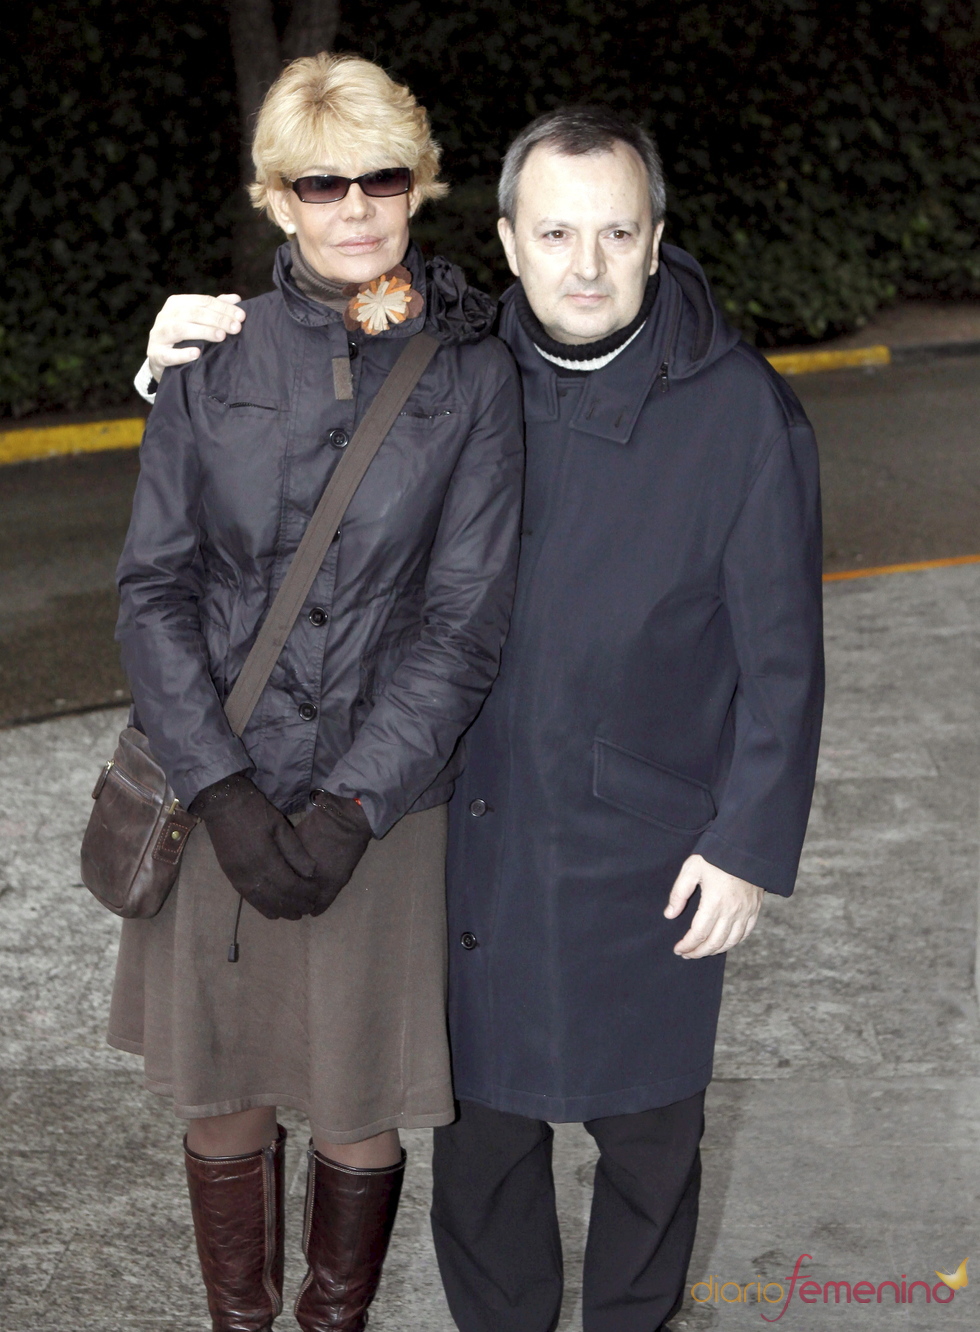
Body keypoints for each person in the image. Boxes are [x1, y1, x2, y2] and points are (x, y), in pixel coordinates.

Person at [141, 104, 823, 1332]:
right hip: (477, 829)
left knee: (650, 1149)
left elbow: (783, 658)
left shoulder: (740, 412)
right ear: (505, 241)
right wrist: (169, 350)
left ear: (657, 239)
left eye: (616, 231)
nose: (585, 263)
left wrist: (747, 843)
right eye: (554, 232)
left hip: (654, 850)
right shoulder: (453, 355)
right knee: (487, 1155)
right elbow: (305, 383)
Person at [111, 52, 522, 1332]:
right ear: (276, 199)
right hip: (217, 773)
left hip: (382, 807)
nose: (356, 207)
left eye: (382, 177)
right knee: (222, 1085)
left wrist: (347, 806)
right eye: (321, 182)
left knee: (358, 1100)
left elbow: (463, 626)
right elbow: (153, 594)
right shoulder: (207, 358)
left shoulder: (468, 375)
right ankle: (239, 1323)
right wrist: (226, 797)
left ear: (419, 187)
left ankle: (330, 1321)